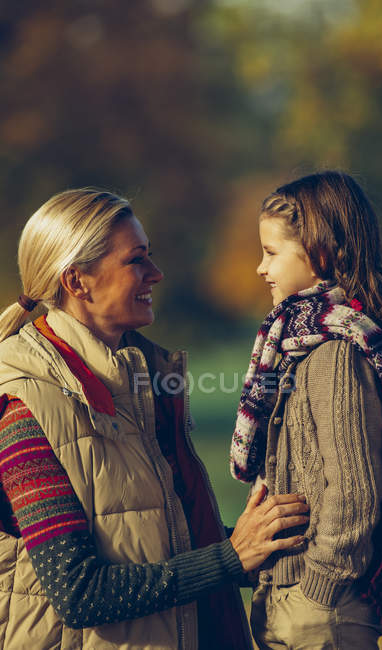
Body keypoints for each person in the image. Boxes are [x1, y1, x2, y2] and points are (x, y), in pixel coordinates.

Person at [0, 188, 310, 650]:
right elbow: (78, 593)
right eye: (136, 260)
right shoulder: (22, 404)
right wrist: (232, 557)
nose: (156, 274)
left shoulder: (141, 381)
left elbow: (158, 542)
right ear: (76, 281)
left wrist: (271, 544)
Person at [230, 171, 382, 650]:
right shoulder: (295, 347)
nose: (261, 268)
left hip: (322, 610)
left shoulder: (335, 354)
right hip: (287, 596)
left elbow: (355, 489)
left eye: (272, 253)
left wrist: (318, 588)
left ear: (320, 252)